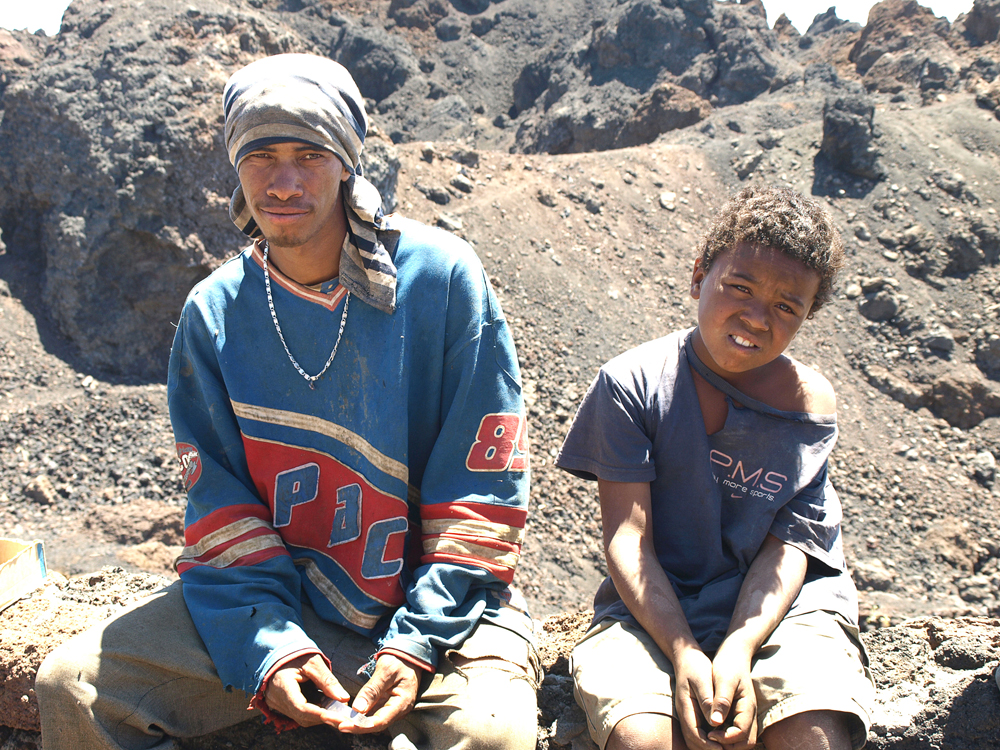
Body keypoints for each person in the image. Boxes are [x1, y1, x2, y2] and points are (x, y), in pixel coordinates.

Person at [36, 53, 538, 750]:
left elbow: (482, 491)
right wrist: (269, 645)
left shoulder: (442, 280)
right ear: (236, 167)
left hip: (442, 612)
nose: (284, 180)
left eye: (309, 154)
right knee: (74, 686)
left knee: (492, 736)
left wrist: (415, 643)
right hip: (278, 602)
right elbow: (220, 505)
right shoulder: (213, 313)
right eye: (261, 156)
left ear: (346, 164)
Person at [556, 186, 875, 750]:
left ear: (806, 316)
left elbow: (788, 545)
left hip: (786, 608)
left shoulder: (808, 401)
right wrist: (682, 652)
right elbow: (628, 540)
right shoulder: (633, 385)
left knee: (811, 734)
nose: (755, 318)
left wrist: (738, 649)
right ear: (700, 273)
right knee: (642, 738)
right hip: (655, 605)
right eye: (739, 287)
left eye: (785, 306)